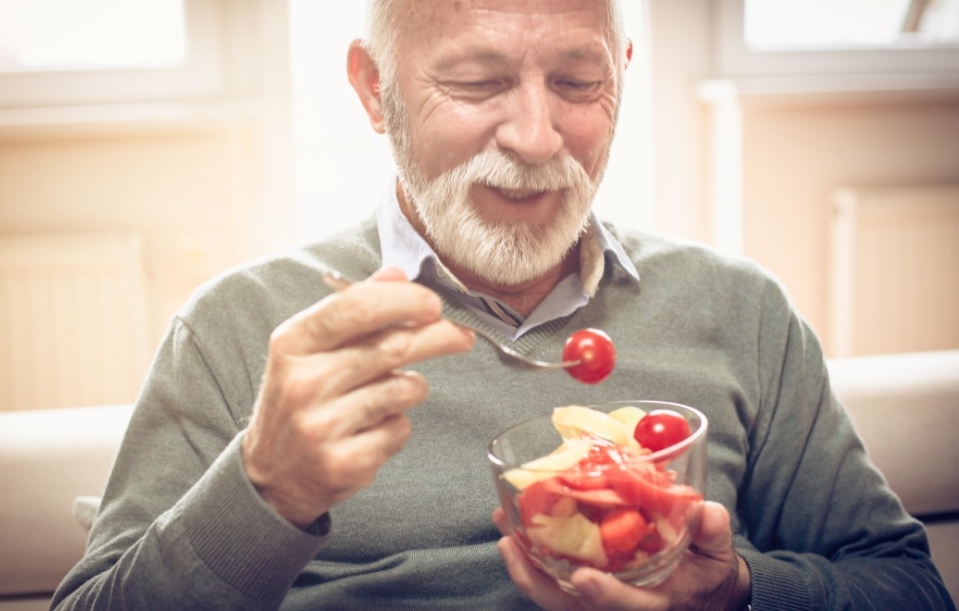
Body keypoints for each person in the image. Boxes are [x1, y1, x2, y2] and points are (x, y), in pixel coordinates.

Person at [52, 1, 955, 609]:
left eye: (576, 82)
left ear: (623, 76)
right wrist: (267, 491)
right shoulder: (239, 329)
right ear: (375, 90)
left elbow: (909, 584)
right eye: (478, 84)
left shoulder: (741, 308)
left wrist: (736, 589)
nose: (534, 137)